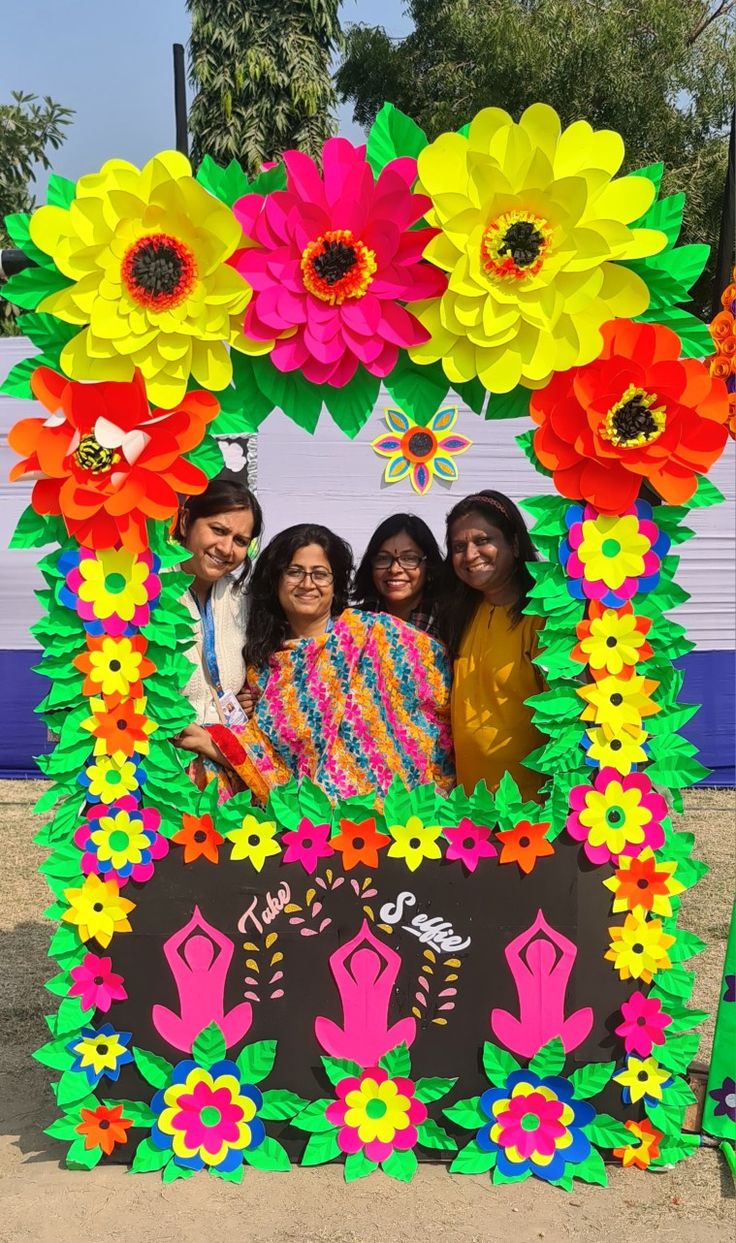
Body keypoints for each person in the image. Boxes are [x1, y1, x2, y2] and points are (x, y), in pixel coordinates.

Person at [179, 523, 454, 803]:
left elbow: (446, 692)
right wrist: (217, 746)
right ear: (276, 581)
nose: (307, 583)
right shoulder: (263, 666)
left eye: (320, 574)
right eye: (294, 572)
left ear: (335, 585)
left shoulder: (377, 634)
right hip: (305, 828)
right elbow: (274, 763)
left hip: (388, 820)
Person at [439, 490, 545, 803]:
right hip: (472, 810)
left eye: (483, 540)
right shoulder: (461, 615)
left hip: (530, 812)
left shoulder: (543, 619)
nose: (470, 555)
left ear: (514, 543)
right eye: (459, 547)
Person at [172, 478, 263, 800]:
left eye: (241, 540)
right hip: (163, 773)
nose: (227, 549)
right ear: (185, 521)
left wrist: (252, 697)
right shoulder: (142, 595)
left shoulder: (245, 601)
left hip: (232, 771)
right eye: (218, 530)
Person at [352, 513, 443, 637]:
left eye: (409, 558)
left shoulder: (451, 625)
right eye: (383, 558)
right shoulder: (351, 624)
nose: (394, 569)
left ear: (429, 565)